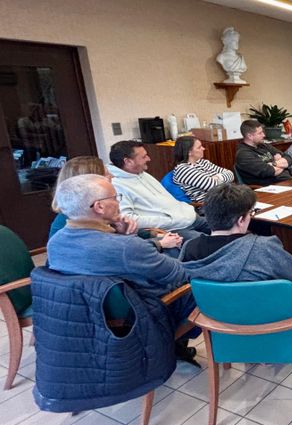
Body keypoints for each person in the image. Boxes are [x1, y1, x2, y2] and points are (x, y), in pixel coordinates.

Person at [48, 174, 200, 360]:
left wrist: (122, 236)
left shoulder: (55, 243)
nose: (119, 202)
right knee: (201, 286)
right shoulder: (126, 247)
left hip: (91, 317)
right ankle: (176, 342)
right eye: (115, 197)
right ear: (99, 206)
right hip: (140, 316)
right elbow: (180, 274)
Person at [179, 183, 292, 358]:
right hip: (270, 317)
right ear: (241, 220)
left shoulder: (190, 248)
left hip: (222, 318)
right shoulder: (262, 247)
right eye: (251, 214)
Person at [49, 156, 182, 253]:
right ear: (89, 181)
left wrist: (149, 235)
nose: (112, 176)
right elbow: (115, 252)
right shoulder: (76, 221)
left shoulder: (84, 214)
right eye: (107, 174)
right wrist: (158, 243)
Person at [107, 140, 209, 240]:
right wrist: (169, 220)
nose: (149, 159)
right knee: (208, 244)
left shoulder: (141, 173)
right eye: (144, 157)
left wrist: (183, 213)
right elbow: (128, 220)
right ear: (128, 161)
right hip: (172, 228)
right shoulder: (116, 185)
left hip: (189, 217)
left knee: (219, 229)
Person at [172, 135, 234, 203]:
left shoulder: (203, 162)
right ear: (189, 152)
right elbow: (214, 186)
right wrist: (216, 180)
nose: (203, 148)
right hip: (210, 204)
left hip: (224, 198)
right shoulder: (183, 170)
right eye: (199, 147)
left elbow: (231, 174)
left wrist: (217, 177)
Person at [234, 120, 292, 185]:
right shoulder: (243, 154)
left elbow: (289, 159)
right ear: (250, 136)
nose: (264, 135)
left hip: (288, 180)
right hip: (270, 187)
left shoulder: (264, 145)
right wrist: (282, 164)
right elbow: (270, 172)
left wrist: (274, 163)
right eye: (260, 133)